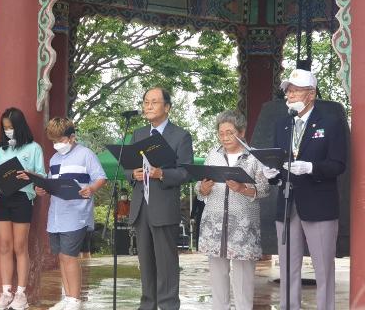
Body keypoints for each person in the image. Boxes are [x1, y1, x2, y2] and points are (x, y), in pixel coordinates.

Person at [263, 69, 347, 310]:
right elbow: (278, 161)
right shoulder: (283, 125)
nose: (289, 94)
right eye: (288, 90)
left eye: (295, 89)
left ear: (310, 94)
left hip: (319, 206)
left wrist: (311, 167)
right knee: (288, 266)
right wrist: (273, 175)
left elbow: (338, 165)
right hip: (288, 205)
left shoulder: (330, 123)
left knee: (323, 268)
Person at [125, 86, 193, 310]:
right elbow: (127, 167)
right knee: (146, 264)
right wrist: (132, 175)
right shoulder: (138, 134)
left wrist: (161, 173)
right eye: (145, 102)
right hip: (140, 207)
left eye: (154, 102)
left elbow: (185, 172)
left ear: (167, 107)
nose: (148, 106)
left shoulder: (180, 136)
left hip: (163, 208)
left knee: (166, 264)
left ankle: (168, 305)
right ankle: (147, 305)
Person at [195, 110, 270, 310]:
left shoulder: (253, 157)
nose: (225, 137)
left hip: (243, 227)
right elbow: (199, 188)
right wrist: (202, 188)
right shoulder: (213, 154)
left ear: (242, 132)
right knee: (217, 278)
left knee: (243, 279)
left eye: (230, 132)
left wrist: (242, 189)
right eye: (221, 133)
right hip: (215, 225)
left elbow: (264, 189)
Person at [33, 117, 107, 310]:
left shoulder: (86, 154)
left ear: (72, 137)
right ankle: (67, 297)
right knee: (62, 257)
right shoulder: (54, 159)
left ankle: (75, 299)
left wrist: (90, 189)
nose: (57, 145)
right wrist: (42, 189)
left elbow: (100, 178)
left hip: (77, 214)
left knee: (70, 256)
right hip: (56, 215)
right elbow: (51, 183)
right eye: (54, 141)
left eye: (60, 140)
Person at [0, 107, 45, 310]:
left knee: (19, 246)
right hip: (2, 198)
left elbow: (42, 176)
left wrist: (30, 176)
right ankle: (6, 293)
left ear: (19, 126)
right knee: (5, 246)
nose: (8, 131)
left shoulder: (34, 148)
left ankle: (21, 294)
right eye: (5, 128)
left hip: (23, 198)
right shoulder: (1, 150)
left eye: (11, 127)